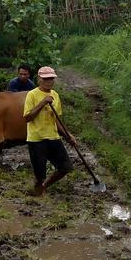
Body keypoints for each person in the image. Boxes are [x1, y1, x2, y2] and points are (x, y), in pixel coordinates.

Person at [23, 66, 75, 194]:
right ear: (39, 79)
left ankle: (45, 186)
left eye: (51, 78)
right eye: (46, 79)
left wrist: (68, 135)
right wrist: (42, 103)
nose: (49, 81)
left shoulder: (55, 95)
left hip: (53, 137)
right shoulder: (32, 95)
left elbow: (57, 119)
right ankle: (38, 190)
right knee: (40, 173)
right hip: (37, 139)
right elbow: (27, 117)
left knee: (65, 167)